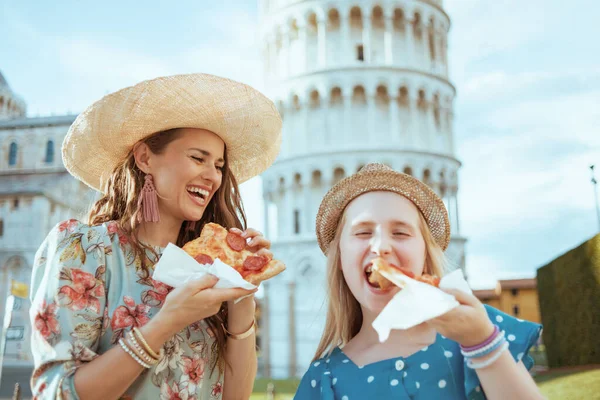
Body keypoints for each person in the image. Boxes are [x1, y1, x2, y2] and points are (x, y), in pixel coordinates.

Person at [29, 73, 282, 400]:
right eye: (198, 158)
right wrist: (166, 322)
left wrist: (242, 289)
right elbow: (56, 393)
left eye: (219, 165)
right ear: (145, 158)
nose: (213, 176)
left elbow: (234, 396)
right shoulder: (85, 249)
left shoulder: (209, 270)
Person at [294, 163, 544, 400]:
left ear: (425, 256)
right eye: (363, 232)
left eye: (400, 233)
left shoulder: (479, 328)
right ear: (340, 258)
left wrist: (484, 344)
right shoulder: (324, 380)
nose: (381, 247)